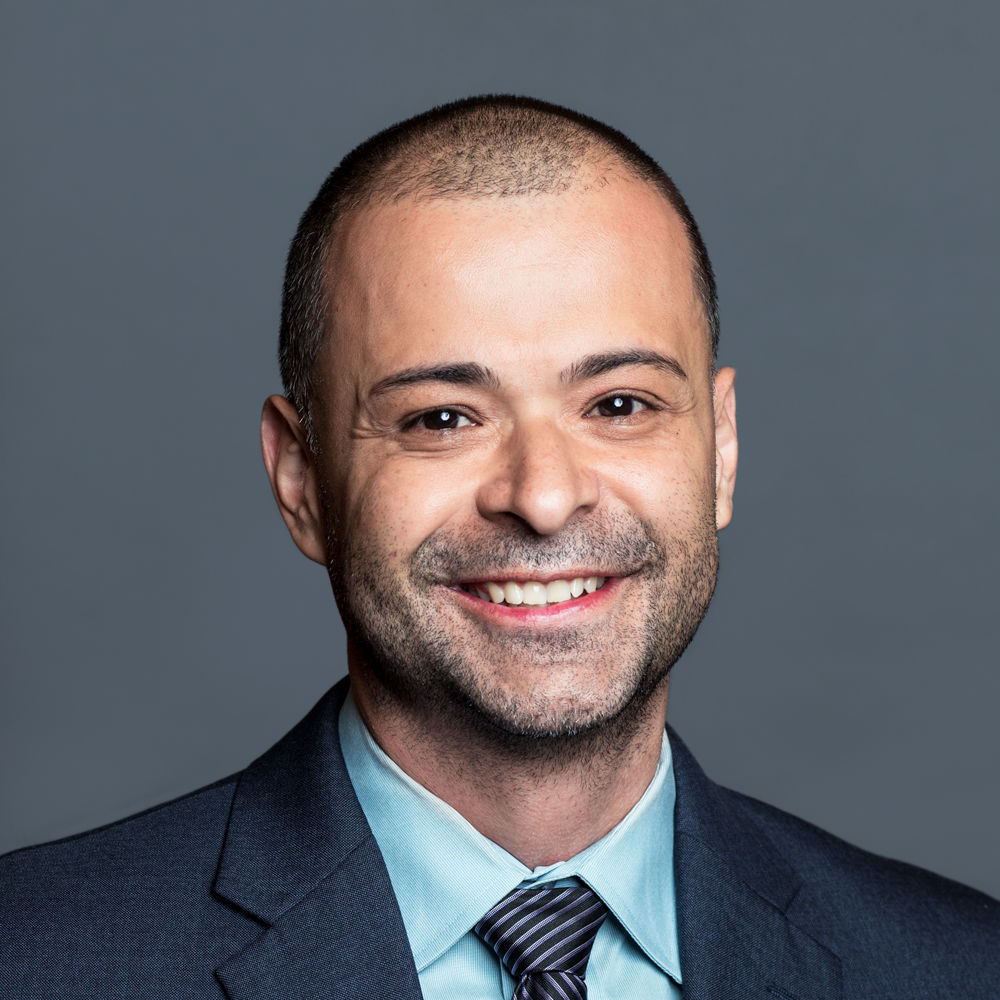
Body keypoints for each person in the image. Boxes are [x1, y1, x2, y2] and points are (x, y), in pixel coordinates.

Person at [1, 95, 997, 999]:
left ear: (721, 449)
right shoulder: (39, 959)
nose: (545, 495)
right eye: (441, 417)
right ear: (300, 479)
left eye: (618, 403)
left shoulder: (952, 968)